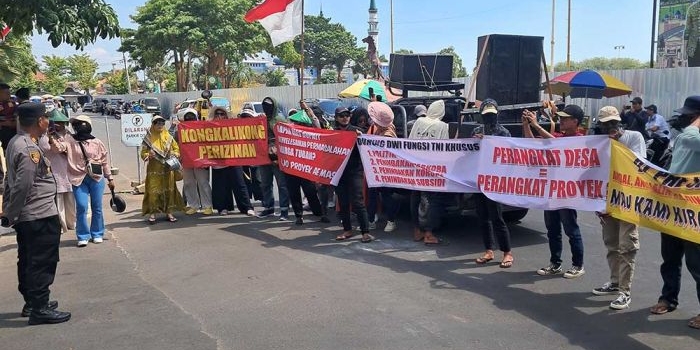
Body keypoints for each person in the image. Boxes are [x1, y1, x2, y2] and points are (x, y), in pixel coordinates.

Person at [1, 102, 71, 325]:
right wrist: (11, 213)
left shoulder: (15, 142)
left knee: (29, 259)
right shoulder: (29, 149)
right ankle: (39, 308)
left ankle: (32, 302)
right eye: (46, 118)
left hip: (28, 215)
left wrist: (8, 209)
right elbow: (22, 185)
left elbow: (9, 180)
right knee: (42, 261)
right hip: (38, 214)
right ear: (40, 121)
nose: (48, 122)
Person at [649, 96, 700, 330]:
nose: (684, 119)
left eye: (690, 116)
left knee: (696, 264)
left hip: (693, 211)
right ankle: (668, 297)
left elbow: (691, 138)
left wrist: (695, 124)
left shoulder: (692, 136)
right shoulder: (683, 137)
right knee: (670, 258)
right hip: (672, 207)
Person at [592, 106, 646, 310]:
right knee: (611, 243)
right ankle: (614, 282)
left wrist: (615, 145)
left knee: (627, 245)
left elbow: (639, 164)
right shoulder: (598, 143)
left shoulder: (633, 137)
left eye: (613, 122)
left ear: (619, 121)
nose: (610, 127)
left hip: (629, 200)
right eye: (606, 124)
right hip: (608, 200)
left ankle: (625, 291)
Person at [523, 104, 586, 279]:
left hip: (567, 192)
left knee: (571, 229)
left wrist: (536, 125)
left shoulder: (580, 139)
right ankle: (555, 263)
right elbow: (532, 143)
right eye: (561, 117)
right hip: (551, 190)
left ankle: (578, 264)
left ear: (576, 121)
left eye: (565, 118)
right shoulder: (559, 136)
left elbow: (558, 145)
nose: (561, 121)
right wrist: (527, 125)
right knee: (552, 229)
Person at [55, 115, 114, 247]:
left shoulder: (97, 142)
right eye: (76, 124)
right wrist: (51, 137)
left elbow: (104, 162)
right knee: (81, 207)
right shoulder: (69, 141)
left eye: (81, 123)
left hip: (96, 178)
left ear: (88, 126)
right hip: (78, 179)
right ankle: (82, 235)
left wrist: (109, 177)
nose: (78, 126)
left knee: (97, 207)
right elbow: (58, 149)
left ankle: (97, 233)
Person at [468, 99, 514, 266]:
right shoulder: (476, 130)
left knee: (497, 217)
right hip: (479, 179)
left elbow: (507, 154)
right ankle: (488, 250)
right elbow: (469, 152)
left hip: (494, 181)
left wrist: (487, 141)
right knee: (482, 217)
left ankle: (507, 252)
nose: (490, 118)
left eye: (492, 115)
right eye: (487, 115)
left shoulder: (503, 132)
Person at [407, 100, 450, 246]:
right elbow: (444, 148)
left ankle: (417, 230)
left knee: (415, 197)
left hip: (415, 166)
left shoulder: (418, 121)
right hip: (432, 169)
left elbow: (409, 141)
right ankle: (428, 233)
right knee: (433, 201)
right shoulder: (443, 126)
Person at [332, 107, 373, 243]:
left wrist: (361, 139)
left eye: (347, 115)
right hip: (339, 172)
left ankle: (365, 232)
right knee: (343, 202)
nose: (345, 118)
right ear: (336, 117)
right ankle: (347, 230)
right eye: (342, 116)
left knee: (358, 202)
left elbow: (369, 147)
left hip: (355, 171)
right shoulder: (333, 133)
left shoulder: (357, 131)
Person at [209, 106, 255, 216]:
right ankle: (223, 207)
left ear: (226, 115)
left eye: (222, 114)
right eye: (217, 114)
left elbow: (247, 129)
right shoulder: (208, 127)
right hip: (218, 162)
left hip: (233, 159)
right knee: (221, 186)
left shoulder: (233, 125)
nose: (219, 116)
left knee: (239, 183)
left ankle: (246, 207)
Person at [285, 104, 324, 225]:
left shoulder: (309, 133)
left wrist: (307, 109)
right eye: (295, 122)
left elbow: (317, 124)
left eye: (300, 123)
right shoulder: (287, 132)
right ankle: (299, 216)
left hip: (305, 167)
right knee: (294, 192)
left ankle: (319, 213)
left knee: (310, 191)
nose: (297, 124)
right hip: (291, 167)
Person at [141, 115, 185, 223]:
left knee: (169, 190)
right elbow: (142, 153)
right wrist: (148, 155)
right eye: (157, 123)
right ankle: (152, 214)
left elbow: (177, 149)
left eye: (162, 123)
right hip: (154, 170)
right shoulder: (148, 138)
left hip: (167, 169)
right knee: (153, 191)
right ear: (153, 125)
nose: (160, 125)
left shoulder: (169, 137)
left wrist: (173, 154)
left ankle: (169, 212)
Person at [366, 101, 400, 232]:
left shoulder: (387, 135)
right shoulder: (384, 129)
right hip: (376, 169)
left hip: (385, 170)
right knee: (373, 196)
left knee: (386, 196)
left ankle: (391, 221)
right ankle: (370, 220)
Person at [39, 110, 76, 233]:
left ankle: (72, 222)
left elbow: (70, 149)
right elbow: (53, 150)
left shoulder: (68, 135)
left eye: (61, 123)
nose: (59, 125)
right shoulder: (44, 137)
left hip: (68, 170)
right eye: (56, 123)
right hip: (54, 170)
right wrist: (51, 137)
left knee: (70, 199)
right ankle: (61, 224)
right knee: (58, 200)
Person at [257, 96, 291, 220]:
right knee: (265, 183)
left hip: (278, 157)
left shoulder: (280, 120)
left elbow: (287, 138)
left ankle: (284, 210)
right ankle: (268, 208)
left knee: (282, 184)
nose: (267, 108)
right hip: (264, 156)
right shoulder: (261, 120)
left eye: (269, 106)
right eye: (264, 105)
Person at [177, 110, 214, 216]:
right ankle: (193, 205)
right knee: (188, 183)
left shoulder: (204, 128)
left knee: (203, 183)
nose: (190, 120)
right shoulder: (179, 129)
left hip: (201, 161)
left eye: (192, 117)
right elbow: (174, 141)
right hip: (186, 161)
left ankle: (207, 206)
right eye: (187, 118)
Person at [0, 83, 17, 152]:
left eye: (9, 93)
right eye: (6, 93)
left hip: (10, 134)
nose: (9, 95)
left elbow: (16, 121)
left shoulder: (12, 104)